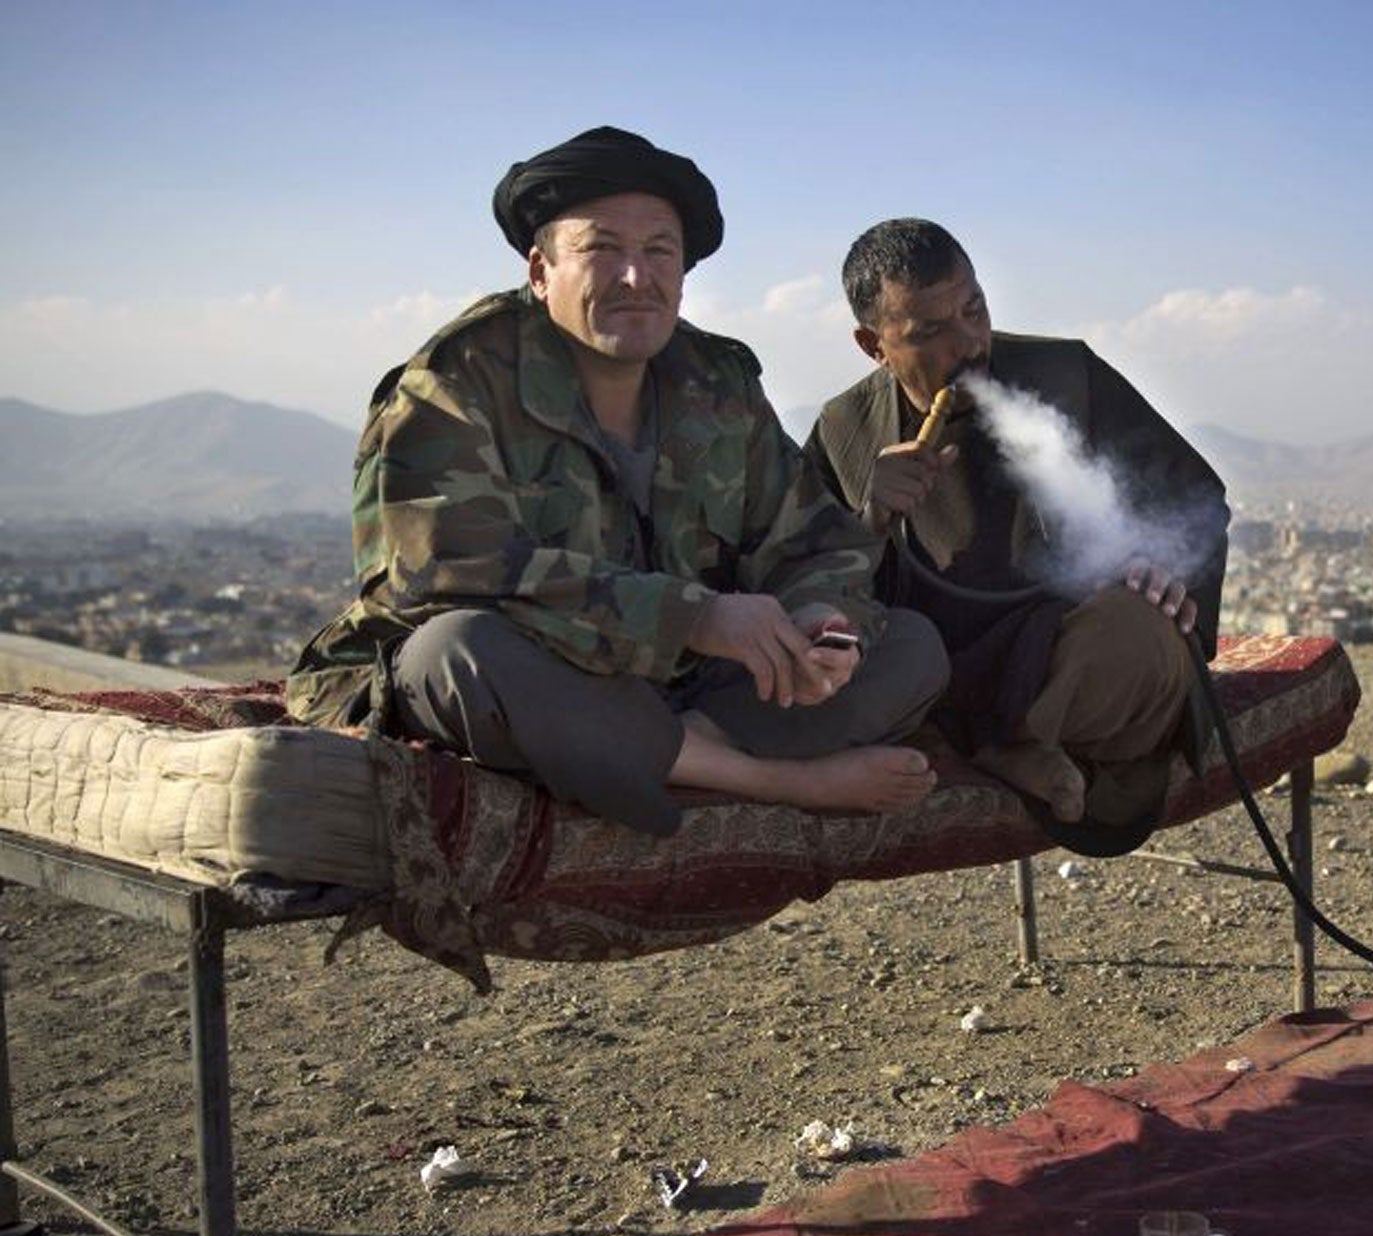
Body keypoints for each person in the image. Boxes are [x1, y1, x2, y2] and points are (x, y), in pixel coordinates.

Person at [287, 128, 948, 836]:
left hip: (671, 690)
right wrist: (693, 616)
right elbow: (441, 574)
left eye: (659, 252)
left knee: (912, 647)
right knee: (462, 653)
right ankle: (775, 778)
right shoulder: (455, 382)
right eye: (603, 250)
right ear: (541, 272)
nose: (637, 278)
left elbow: (815, 537)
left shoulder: (716, 381)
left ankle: (674, 750)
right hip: (534, 675)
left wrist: (818, 621)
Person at [804, 218, 1230, 851]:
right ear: (874, 345)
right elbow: (810, 588)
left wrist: (1160, 564)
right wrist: (871, 519)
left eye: (974, 309)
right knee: (892, 666)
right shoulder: (846, 430)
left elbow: (1192, 496)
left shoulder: (1065, 374)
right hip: (943, 672)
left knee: (1139, 636)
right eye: (931, 332)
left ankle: (1007, 740)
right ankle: (1010, 739)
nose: (971, 343)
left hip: (1072, 652)